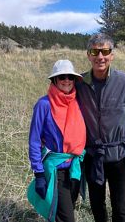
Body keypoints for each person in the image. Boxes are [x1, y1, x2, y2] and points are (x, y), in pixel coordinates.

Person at [75, 33, 125, 222]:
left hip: (121, 156)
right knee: (97, 206)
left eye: (105, 51)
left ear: (112, 55)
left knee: (120, 208)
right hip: (93, 156)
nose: (100, 56)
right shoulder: (79, 84)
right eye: (95, 51)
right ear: (88, 55)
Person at [27, 59, 86, 222]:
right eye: (62, 77)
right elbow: (34, 141)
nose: (66, 80)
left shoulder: (78, 102)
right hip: (56, 170)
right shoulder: (43, 105)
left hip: (75, 167)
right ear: (54, 80)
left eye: (70, 77)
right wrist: (39, 174)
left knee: (63, 212)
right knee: (67, 218)